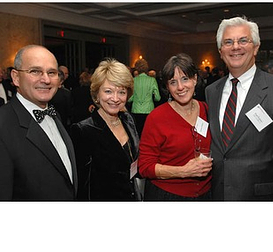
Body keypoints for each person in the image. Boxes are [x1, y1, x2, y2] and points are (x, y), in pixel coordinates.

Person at [205, 16, 273, 201]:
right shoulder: (211, 91)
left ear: (256, 47)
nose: (235, 47)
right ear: (220, 51)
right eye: (228, 42)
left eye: (243, 40)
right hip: (217, 194)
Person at [0, 45, 77, 200]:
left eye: (52, 73)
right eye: (35, 71)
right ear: (15, 77)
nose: (46, 80)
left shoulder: (55, 115)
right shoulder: (3, 124)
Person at [138, 53, 213, 201]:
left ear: (195, 79)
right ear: (167, 86)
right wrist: (183, 171)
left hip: (206, 194)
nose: (180, 87)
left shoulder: (207, 110)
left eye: (185, 79)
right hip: (167, 196)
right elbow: (145, 167)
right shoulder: (156, 117)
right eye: (173, 82)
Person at [70, 58, 142, 201]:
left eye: (121, 92)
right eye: (108, 91)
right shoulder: (83, 130)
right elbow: (81, 185)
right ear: (97, 94)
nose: (115, 99)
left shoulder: (128, 120)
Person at [128, 58, 161, 137]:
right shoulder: (152, 80)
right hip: (149, 110)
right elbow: (158, 98)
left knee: (137, 134)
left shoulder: (133, 80)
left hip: (135, 110)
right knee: (148, 134)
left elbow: (129, 99)